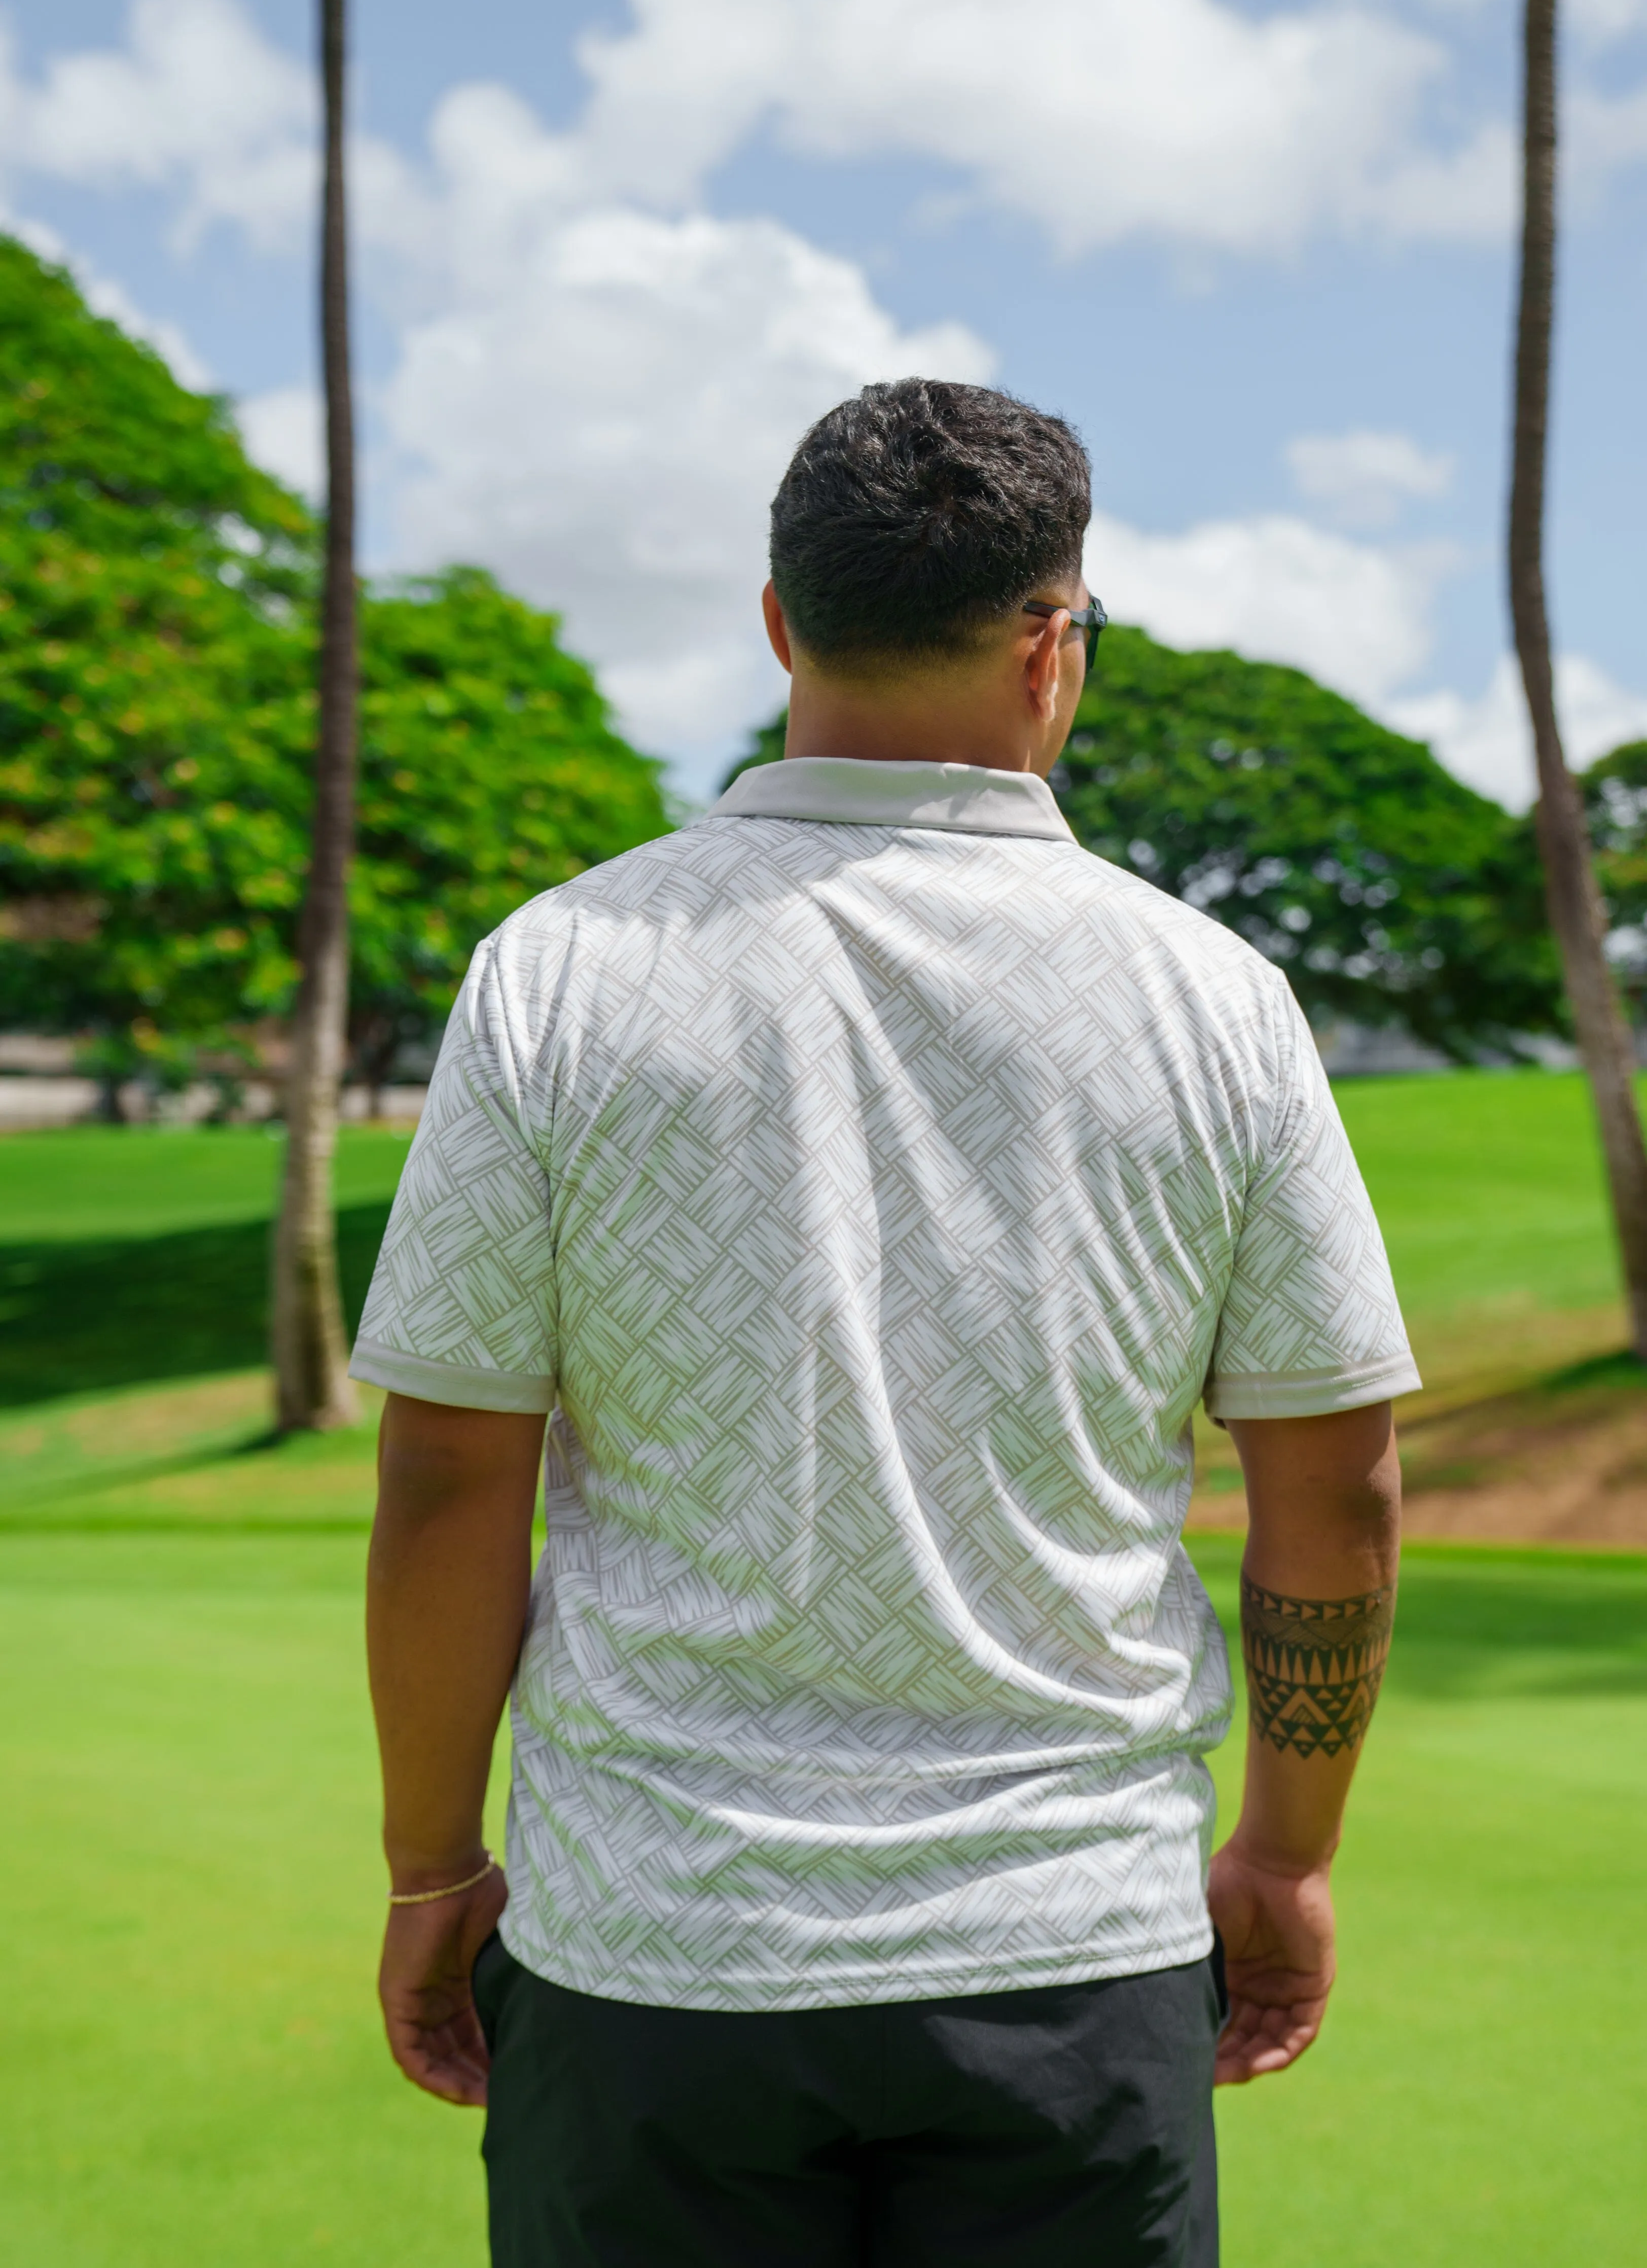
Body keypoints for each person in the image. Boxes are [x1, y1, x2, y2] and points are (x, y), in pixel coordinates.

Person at [354, 378, 1415, 2267]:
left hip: (652, 1960)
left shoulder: (559, 973)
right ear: (1054, 642)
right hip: (1073, 1957)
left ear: (779, 624)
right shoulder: (1221, 1001)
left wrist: (436, 1868)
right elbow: (1336, 1493)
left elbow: (448, 1479)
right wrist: (1290, 1853)